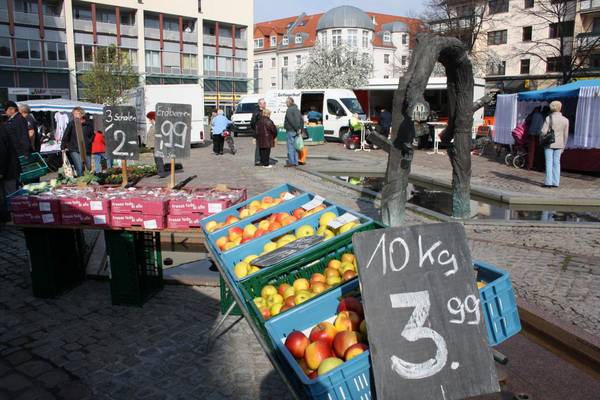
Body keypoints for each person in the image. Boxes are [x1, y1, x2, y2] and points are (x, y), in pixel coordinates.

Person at [540, 100, 569, 188]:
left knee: (549, 162)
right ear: (560, 107)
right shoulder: (565, 120)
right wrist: (564, 146)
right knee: (557, 163)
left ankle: (548, 182)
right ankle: (556, 182)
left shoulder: (549, 118)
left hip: (549, 143)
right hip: (560, 144)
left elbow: (543, 131)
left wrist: (542, 136)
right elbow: (566, 135)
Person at [60, 107, 94, 176]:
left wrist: (89, 142)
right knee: (79, 167)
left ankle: (89, 183)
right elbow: (66, 136)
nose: (75, 115)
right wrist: (63, 147)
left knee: (89, 167)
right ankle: (81, 183)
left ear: (82, 114)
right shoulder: (71, 124)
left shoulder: (88, 124)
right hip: (74, 149)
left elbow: (92, 135)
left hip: (86, 149)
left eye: (77, 113)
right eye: (74, 114)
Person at [0, 123, 21, 223]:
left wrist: (1, 171)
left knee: (10, 195)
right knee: (10, 193)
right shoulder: (4, 128)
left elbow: (2, 153)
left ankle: (15, 217)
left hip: (8, 169)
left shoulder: (2, 130)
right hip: (9, 168)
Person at [146, 111, 167, 178]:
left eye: (149, 119)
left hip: (157, 146)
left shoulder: (157, 126)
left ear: (153, 119)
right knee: (157, 159)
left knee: (158, 159)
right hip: (154, 146)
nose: (149, 120)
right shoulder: (154, 126)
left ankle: (161, 173)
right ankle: (160, 172)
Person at [284, 97, 303, 167]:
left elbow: (291, 120)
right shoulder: (297, 109)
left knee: (291, 147)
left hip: (291, 130)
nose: (286, 104)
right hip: (296, 131)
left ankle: (291, 162)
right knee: (296, 147)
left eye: (286, 102)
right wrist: (300, 129)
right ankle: (296, 162)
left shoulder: (289, 110)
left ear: (289, 103)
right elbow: (301, 120)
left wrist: (297, 129)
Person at [525, 106, 544, 170]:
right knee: (538, 150)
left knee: (531, 150)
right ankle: (538, 166)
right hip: (539, 134)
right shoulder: (542, 116)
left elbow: (526, 120)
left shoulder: (533, 115)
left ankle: (529, 165)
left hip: (532, 134)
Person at [250, 98, 266, 166]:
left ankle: (261, 159)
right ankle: (257, 160)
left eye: (265, 103)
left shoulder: (264, 110)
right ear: (260, 104)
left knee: (262, 145)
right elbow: (253, 122)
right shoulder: (257, 111)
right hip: (258, 132)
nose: (265, 104)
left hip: (263, 131)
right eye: (264, 103)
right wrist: (256, 129)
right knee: (259, 146)